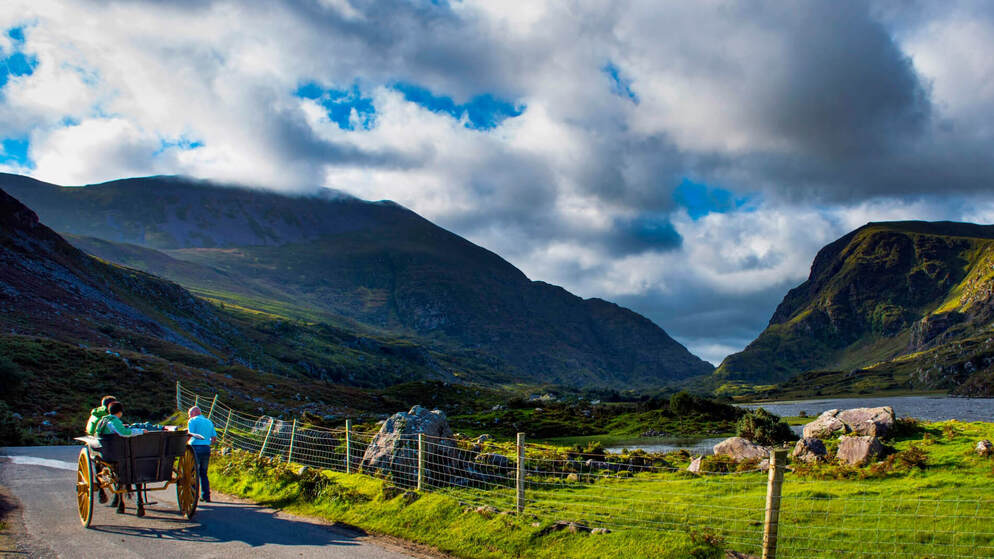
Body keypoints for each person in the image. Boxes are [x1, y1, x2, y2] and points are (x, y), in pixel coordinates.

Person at [95, 401, 145, 514]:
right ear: (120, 412)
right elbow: (123, 433)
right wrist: (140, 431)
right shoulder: (114, 421)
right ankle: (139, 502)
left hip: (107, 453)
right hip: (119, 453)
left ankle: (120, 503)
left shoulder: (102, 421)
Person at [186, 406, 217, 503]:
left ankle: (193, 495)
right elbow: (214, 438)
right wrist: (207, 444)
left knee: (192, 473)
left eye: (189, 415)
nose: (189, 417)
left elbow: (189, 434)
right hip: (206, 449)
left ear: (193, 413)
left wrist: (184, 444)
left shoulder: (192, 421)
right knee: (203, 473)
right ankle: (206, 496)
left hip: (195, 448)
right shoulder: (209, 421)